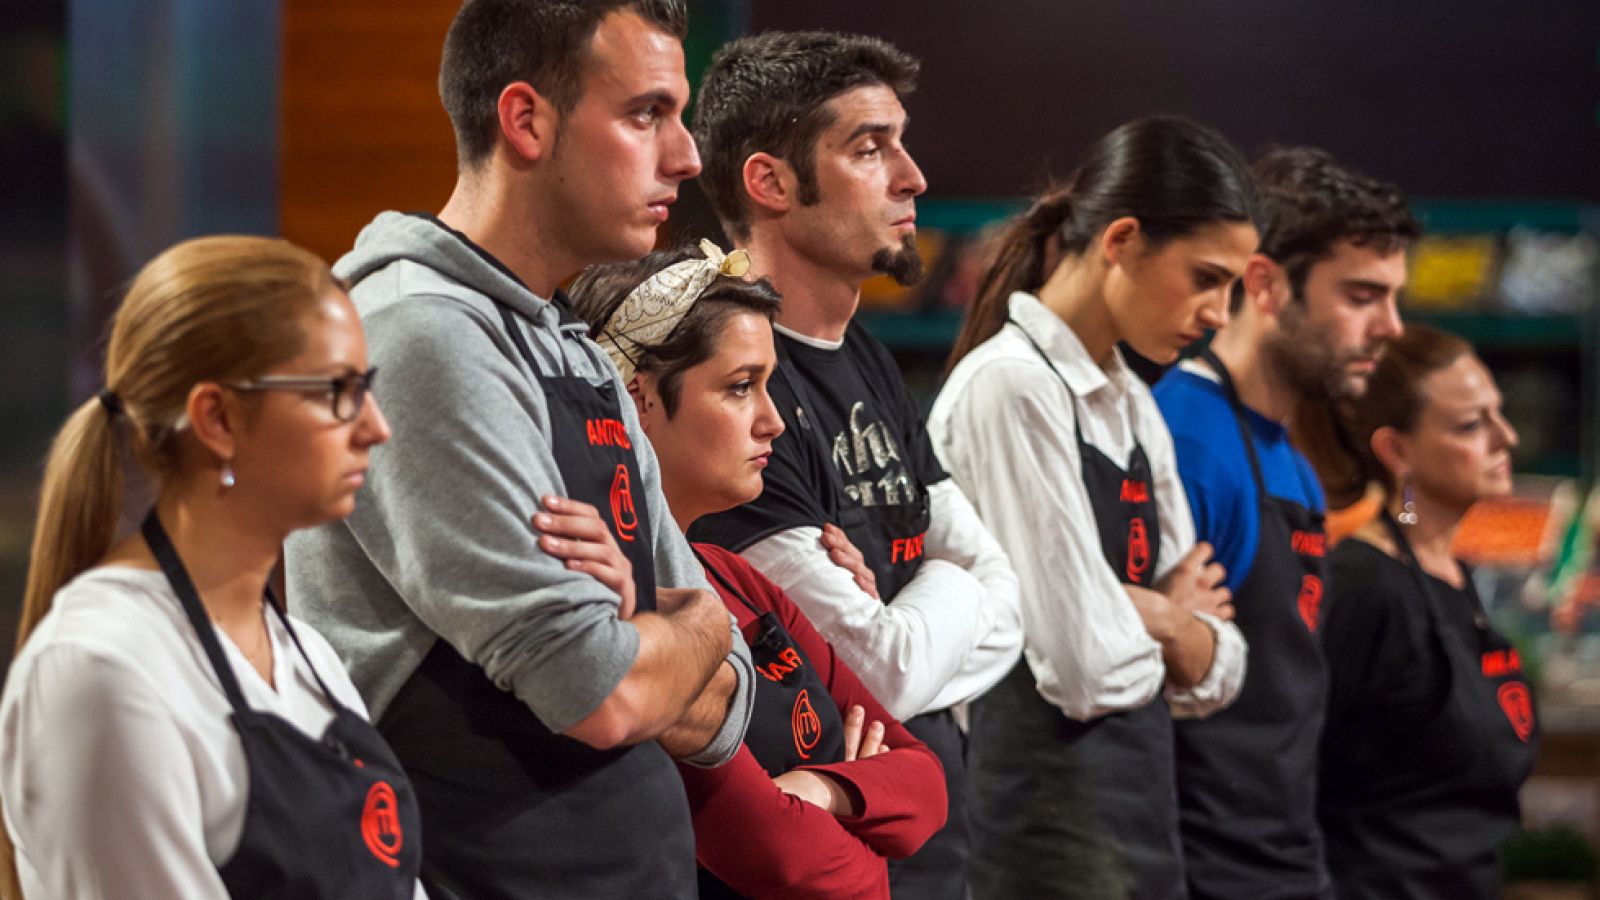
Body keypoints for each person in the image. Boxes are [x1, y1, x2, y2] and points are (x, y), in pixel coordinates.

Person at [281, 2, 755, 897]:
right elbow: (601, 693)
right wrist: (690, 622)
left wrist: (654, 634)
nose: (688, 155)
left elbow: (726, 703)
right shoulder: (420, 332)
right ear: (527, 121)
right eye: (647, 113)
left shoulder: (574, 350)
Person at [689, 30, 1023, 897]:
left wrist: (914, 608)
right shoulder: (733, 392)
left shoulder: (866, 354)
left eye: (900, 144)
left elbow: (1003, 596)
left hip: (926, 819)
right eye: (870, 149)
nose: (912, 177)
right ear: (770, 182)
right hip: (835, 847)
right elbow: (883, 673)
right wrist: (950, 590)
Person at [0, 235, 423, 899]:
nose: (375, 426)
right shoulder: (101, 667)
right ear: (218, 418)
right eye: (338, 391)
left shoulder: (303, 651)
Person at [546, 242, 948, 898]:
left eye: (770, 384)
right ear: (634, 398)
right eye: (740, 388)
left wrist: (822, 789)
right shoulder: (608, 599)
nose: (775, 422)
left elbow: (925, 784)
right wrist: (863, 814)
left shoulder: (733, 575)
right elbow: (779, 857)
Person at [931, 116, 1254, 899]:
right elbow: (1080, 667)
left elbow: (1221, 670)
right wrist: (1171, 626)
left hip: (1142, 829)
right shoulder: (1009, 388)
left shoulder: (1135, 407)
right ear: (1122, 241)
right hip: (1034, 841)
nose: (1220, 313)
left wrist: (1160, 619)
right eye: (1207, 277)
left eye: (1233, 288)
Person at [1153, 146, 1420, 899]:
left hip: (1285, 864)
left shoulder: (1294, 461)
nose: (1391, 327)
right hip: (1201, 872)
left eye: (1393, 298)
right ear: (1266, 284)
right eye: (1363, 295)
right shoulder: (1184, 437)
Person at [1312, 324, 1537, 898]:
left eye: (1498, 414)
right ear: (1397, 451)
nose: (1505, 438)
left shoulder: (1445, 569)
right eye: (1471, 425)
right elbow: (1292, 772)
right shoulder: (1366, 586)